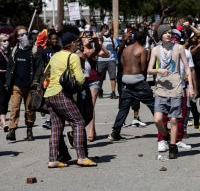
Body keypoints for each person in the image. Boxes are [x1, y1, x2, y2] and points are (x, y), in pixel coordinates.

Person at [44, 32, 96, 168]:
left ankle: (52, 160)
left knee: (56, 128)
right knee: (78, 122)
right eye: (76, 42)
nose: (77, 44)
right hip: (61, 94)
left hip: (49, 94)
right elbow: (80, 79)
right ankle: (81, 157)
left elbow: (46, 73)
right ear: (71, 43)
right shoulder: (72, 56)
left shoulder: (55, 56)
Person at [147, 25, 195, 159]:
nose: (168, 34)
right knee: (157, 119)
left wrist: (190, 86)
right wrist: (159, 70)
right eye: (165, 33)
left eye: (170, 32)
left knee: (174, 119)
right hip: (161, 88)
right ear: (160, 35)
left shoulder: (179, 48)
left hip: (176, 87)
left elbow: (187, 68)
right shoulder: (155, 50)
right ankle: (166, 136)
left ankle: (173, 147)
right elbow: (149, 69)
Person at [109, 27, 156, 142]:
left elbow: (122, 63)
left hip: (125, 81)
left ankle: (115, 132)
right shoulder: (142, 50)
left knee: (124, 108)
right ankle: (164, 128)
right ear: (143, 40)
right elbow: (143, 68)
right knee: (153, 104)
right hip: (138, 81)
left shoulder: (126, 50)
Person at [5, 26, 39, 142]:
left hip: (30, 85)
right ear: (17, 37)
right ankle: (12, 130)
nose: (24, 36)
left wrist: (36, 81)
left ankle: (29, 130)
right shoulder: (15, 50)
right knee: (14, 108)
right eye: (21, 35)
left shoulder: (33, 50)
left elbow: (39, 67)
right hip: (17, 85)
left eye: (25, 33)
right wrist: (7, 82)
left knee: (30, 109)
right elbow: (10, 67)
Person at [98, 26, 118, 99]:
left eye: (107, 29)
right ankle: (100, 90)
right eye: (104, 30)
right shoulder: (99, 39)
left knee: (113, 77)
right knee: (100, 77)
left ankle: (113, 92)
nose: (106, 31)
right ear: (101, 31)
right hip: (101, 60)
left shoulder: (112, 39)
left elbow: (116, 48)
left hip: (111, 59)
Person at [0, 32, 9, 132]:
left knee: (6, 102)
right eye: (4, 41)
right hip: (0, 79)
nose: (6, 42)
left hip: (8, 80)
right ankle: (4, 123)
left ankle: (1, 120)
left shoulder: (10, 52)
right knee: (2, 101)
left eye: (7, 40)